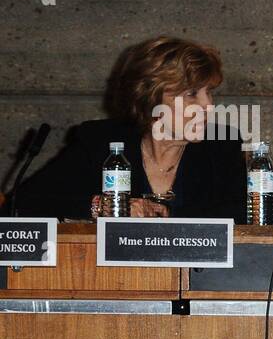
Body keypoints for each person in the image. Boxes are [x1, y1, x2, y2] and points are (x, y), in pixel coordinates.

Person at [16, 36, 245, 219]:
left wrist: (168, 214)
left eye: (209, 93)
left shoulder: (222, 144)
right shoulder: (101, 141)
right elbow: (26, 201)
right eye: (192, 94)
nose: (208, 105)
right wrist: (103, 207)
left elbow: (246, 213)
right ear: (151, 99)